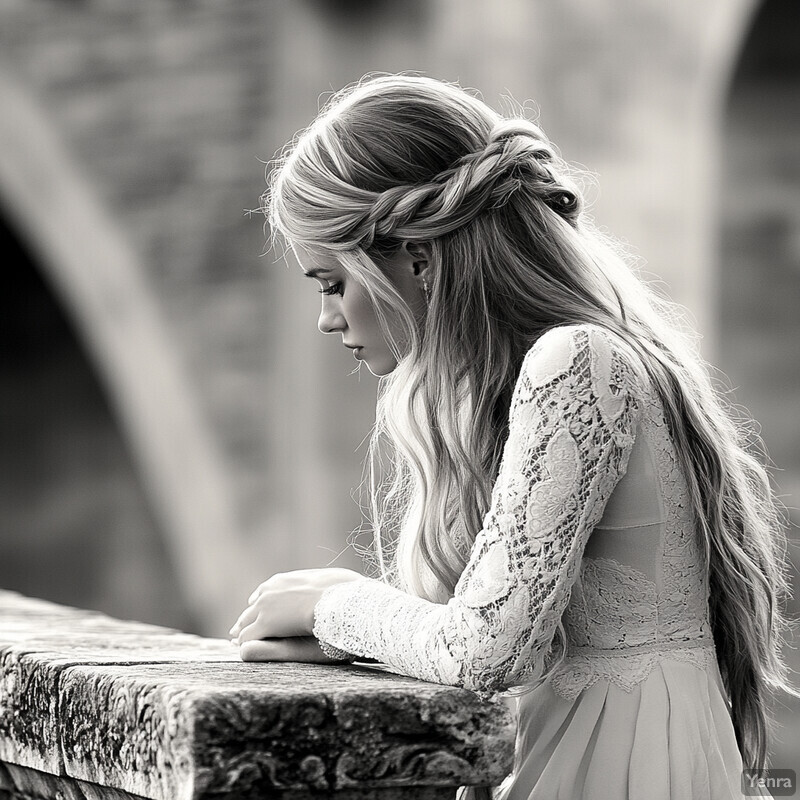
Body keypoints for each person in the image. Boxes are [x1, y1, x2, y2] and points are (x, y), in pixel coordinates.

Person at [229, 74, 797, 799]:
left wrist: (333, 605)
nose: (326, 319)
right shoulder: (545, 374)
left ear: (416, 257)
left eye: (331, 282)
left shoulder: (577, 364)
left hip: (621, 766)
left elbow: (488, 647)